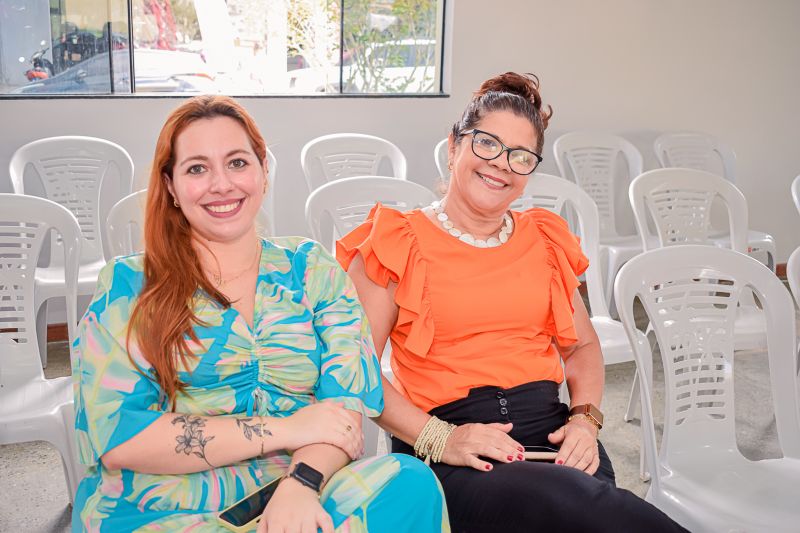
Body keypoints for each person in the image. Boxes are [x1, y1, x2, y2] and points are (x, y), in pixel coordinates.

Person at [71, 95, 449, 532]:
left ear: (263, 171)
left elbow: (343, 415)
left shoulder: (312, 270)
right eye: (197, 169)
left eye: (237, 162)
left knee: (411, 483)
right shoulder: (129, 286)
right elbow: (120, 436)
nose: (221, 184)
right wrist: (286, 430)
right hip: (162, 504)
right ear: (171, 186)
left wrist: (301, 484)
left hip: (300, 487)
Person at [337, 72, 688, 532]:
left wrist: (584, 421)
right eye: (487, 144)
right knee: (578, 506)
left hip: (551, 432)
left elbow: (582, 346)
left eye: (521, 156)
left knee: (582, 500)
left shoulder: (544, 239)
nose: (501, 164)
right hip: (454, 446)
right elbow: (354, 368)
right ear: (454, 146)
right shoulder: (395, 240)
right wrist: (442, 438)